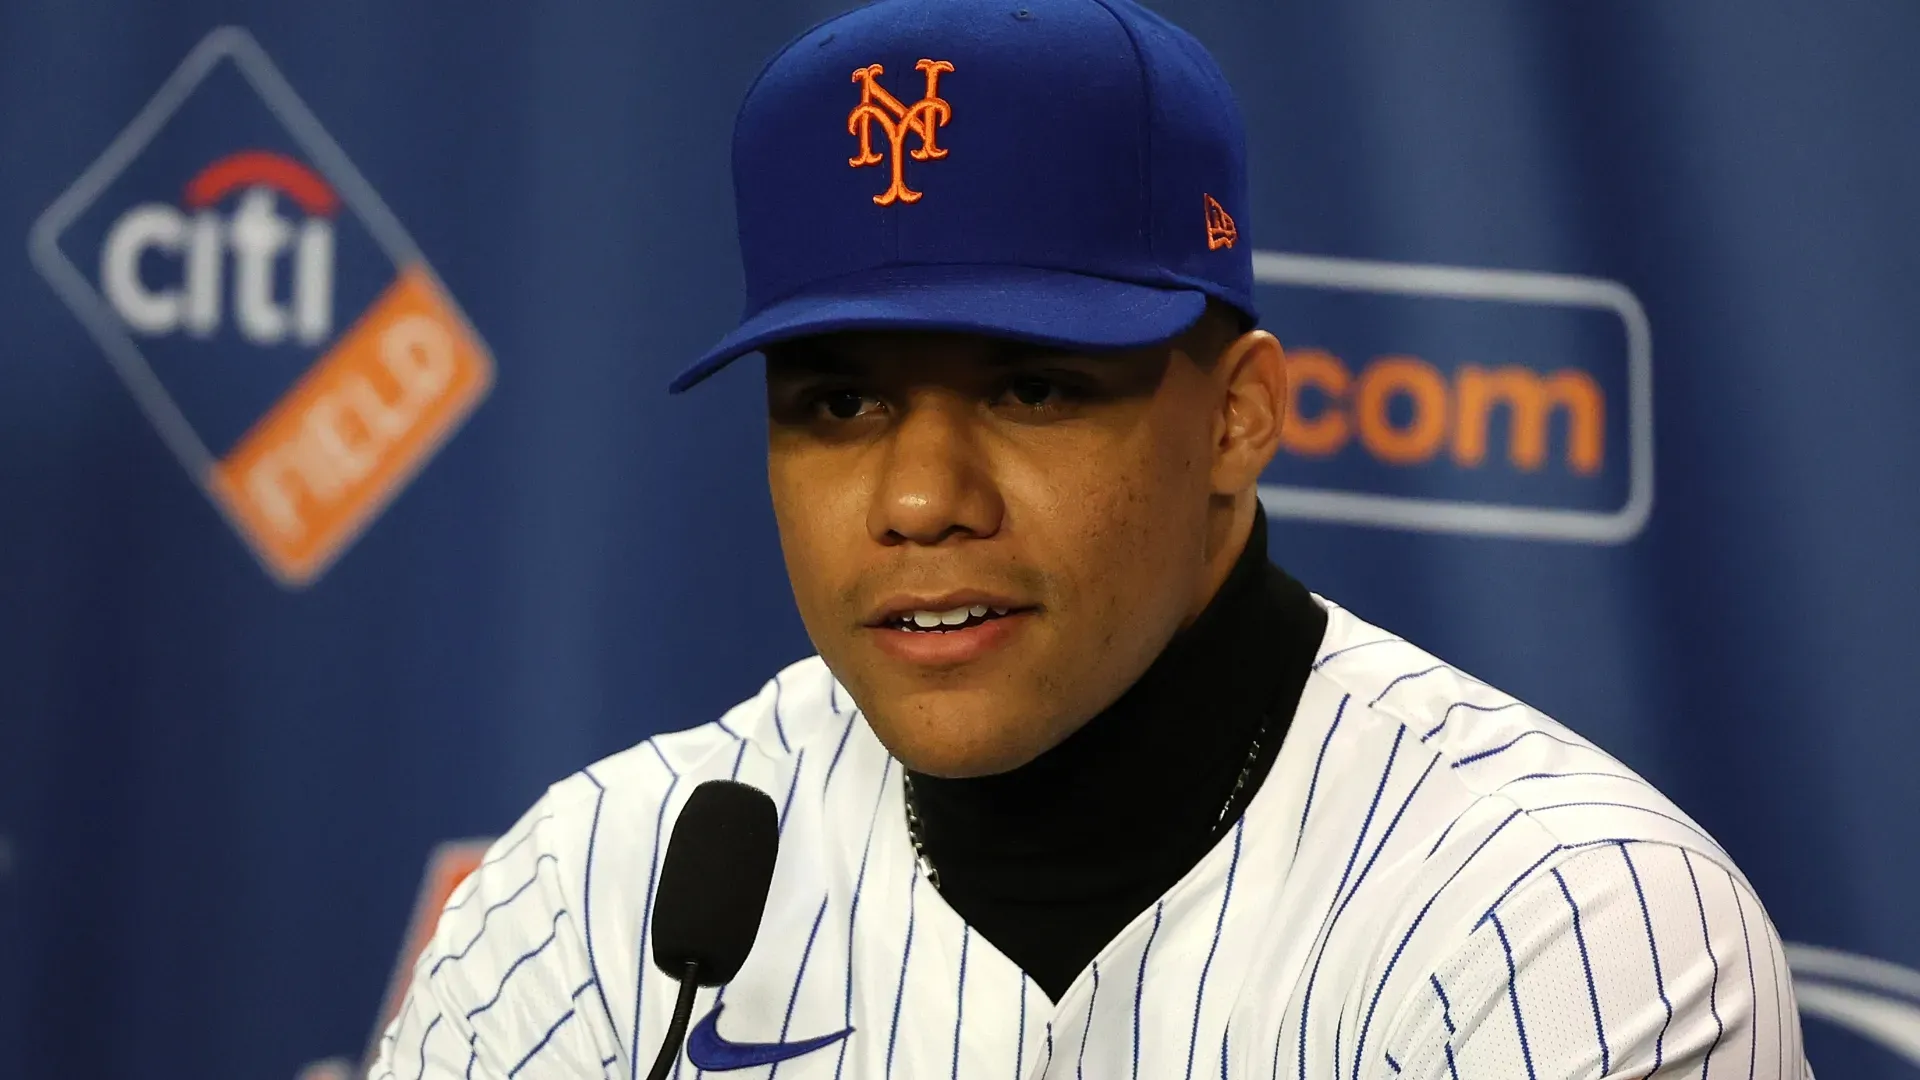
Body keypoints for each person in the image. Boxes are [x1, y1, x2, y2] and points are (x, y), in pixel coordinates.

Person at [373, 0, 1812, 1077]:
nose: (921, 496)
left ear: (1240, 417)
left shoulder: (1556, 920)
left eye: (1032, 385)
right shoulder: (596, 900)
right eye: (843, 400)